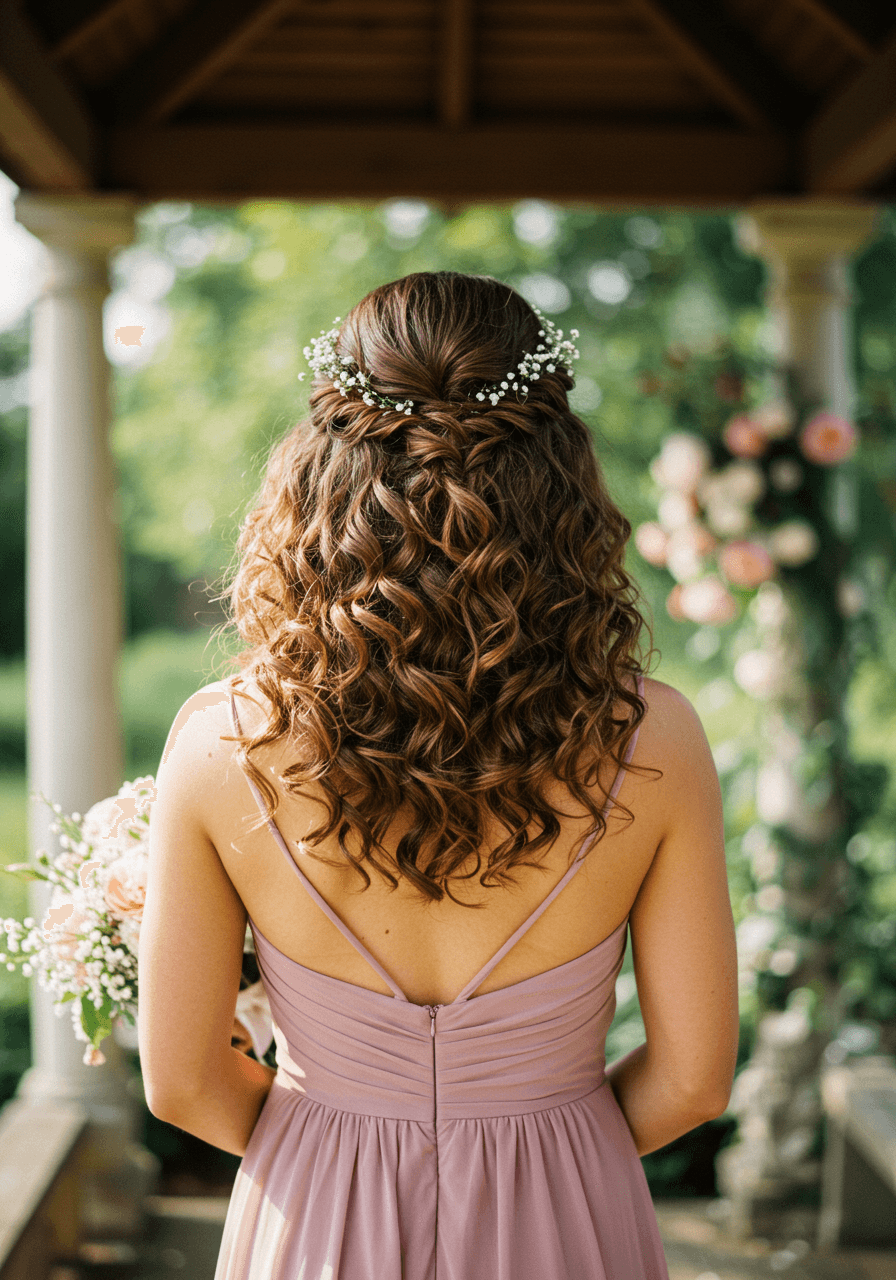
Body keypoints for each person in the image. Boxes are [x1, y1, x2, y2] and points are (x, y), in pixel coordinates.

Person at [138, 271, 739, 1279]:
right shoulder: (655, 738)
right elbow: (691, 1078)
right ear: (561, 482)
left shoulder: (218, 742)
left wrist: (337, 1152)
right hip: (566, 1211)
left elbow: (184, 1083)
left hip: (313, 1213)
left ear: (319, 470)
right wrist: (554, 1157)